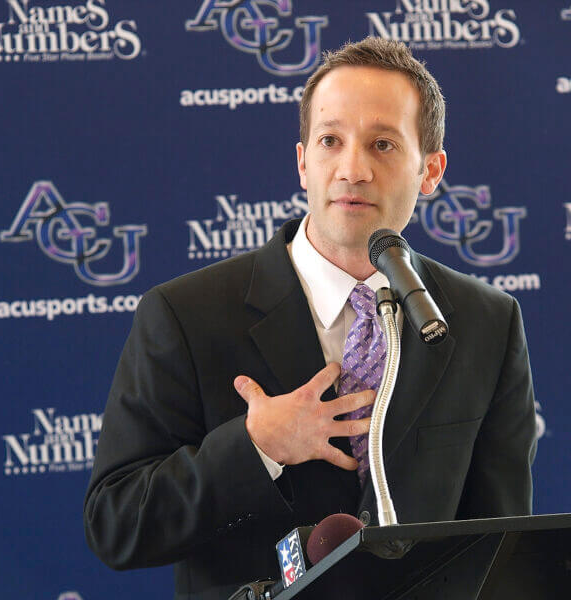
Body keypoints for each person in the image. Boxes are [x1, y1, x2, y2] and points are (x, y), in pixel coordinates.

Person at [84, 38, 537, 599]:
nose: (353, 169)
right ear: (303, 162)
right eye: (330, 141)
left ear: (431, 169)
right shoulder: (185, 315)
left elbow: (500, 543)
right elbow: (117, 523)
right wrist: (255, 446)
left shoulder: (485, 321)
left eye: (383, 144)